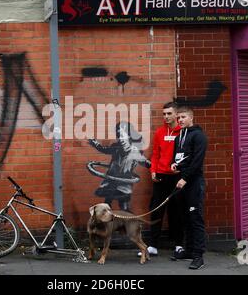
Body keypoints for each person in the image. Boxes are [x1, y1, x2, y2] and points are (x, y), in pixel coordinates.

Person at [138, 102, 186, 258]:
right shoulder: (159, 132)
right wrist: (153, 171)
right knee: (156, 211)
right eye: (164, 114)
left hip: (177, 178)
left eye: (169, 114)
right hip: (160, 177)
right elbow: (156, 154)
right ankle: (152, 246)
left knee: (177, 211)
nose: (166, 117)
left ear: (176, 114)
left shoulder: (183, 132)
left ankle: (179, 245)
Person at [171, 106, 207, 270]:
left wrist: (185, 178)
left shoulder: (199, 136)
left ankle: (198, 256)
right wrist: (174, 165)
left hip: (193, 183)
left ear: (191, 118)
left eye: (183, 117)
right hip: (181, 181)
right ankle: (189, 251)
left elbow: (197, 161)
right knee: (185, 218)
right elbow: (178, 157)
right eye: (178, 118)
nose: (180, 120)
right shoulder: (179, 137)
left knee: (195, 218)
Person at [88, 121, 151, 212]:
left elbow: (145, 162)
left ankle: (130, 224)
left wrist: (156, 169)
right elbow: (104, 149)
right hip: (110, 183)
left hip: (124, 185)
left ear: (129, 135)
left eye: (123, 135)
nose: (120, 138)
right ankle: (106, 224)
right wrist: (94, 143)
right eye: (119, 135)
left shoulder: (135, 152)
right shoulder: (116, 147)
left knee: (124, 207)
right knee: (106, 206)